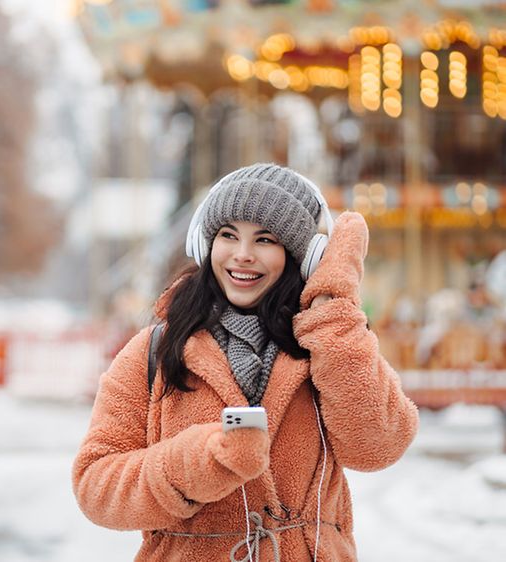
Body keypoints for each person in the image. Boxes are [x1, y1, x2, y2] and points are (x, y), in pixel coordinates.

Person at [72, 163, 419, 562]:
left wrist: (332, 310)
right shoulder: (154, 351)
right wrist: (199, 463)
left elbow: (378, 447)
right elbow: (94, 486)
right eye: (228, 235)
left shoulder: (329, 342)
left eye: (265, 240)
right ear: (206, 245)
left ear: (302, 257)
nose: (242, 255)